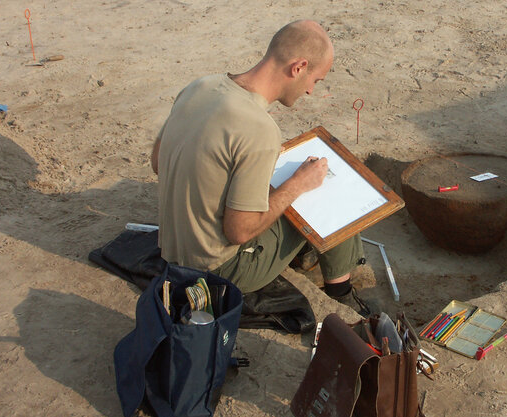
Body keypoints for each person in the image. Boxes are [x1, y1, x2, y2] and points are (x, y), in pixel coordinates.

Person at [150, 20, 368, 309]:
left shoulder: (202, 86)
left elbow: (157, 161)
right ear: (298, 67)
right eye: (316, 80)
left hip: (173, 247)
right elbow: (238, 232)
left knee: (295, 182)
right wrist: (296, 185)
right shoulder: (259, 128)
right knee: (325, 185)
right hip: (220, 269)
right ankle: (340, 294)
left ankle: (307, 255)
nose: (311, 91)